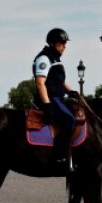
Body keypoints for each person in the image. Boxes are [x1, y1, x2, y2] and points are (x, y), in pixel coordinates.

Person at [32, 28, 76, 168]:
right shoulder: (44, 58)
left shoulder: (55, 58)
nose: (65, 46)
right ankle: (58, 156)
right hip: (50, 99)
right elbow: (40, 82)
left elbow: (59, 82)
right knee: (69, 119)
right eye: (62, 42)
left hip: (58, 97)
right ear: (53, 43)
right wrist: (47, 105)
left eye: (65, 43)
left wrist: (73, 92)